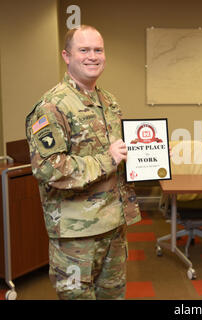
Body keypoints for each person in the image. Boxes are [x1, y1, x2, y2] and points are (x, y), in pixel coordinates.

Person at [25, 25, 141, 299]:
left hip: (113, 224)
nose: (93, 56)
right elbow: (49, 168)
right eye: (84, 50)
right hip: (77, 234)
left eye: (98, 50)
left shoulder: (109, 101)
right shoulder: (52, 106)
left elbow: (118, 153)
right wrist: (107, 159)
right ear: (66, 56)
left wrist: (151, 154)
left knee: (113, 296)